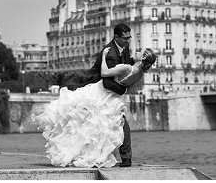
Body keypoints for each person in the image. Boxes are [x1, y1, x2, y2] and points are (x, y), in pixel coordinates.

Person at [35, 24, 156, 168]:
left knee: (94, 126)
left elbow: (125, 67)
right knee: (100, 125)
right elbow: (107, 81)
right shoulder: (110, 53)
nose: (128, 40)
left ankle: (109, 157)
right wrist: (122, 90)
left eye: (129, 37)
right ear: (116, 37)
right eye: (126, 38)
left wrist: (123, 83)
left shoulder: (122, 51)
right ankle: (117, 158)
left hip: (108, 93)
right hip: (101, 92)